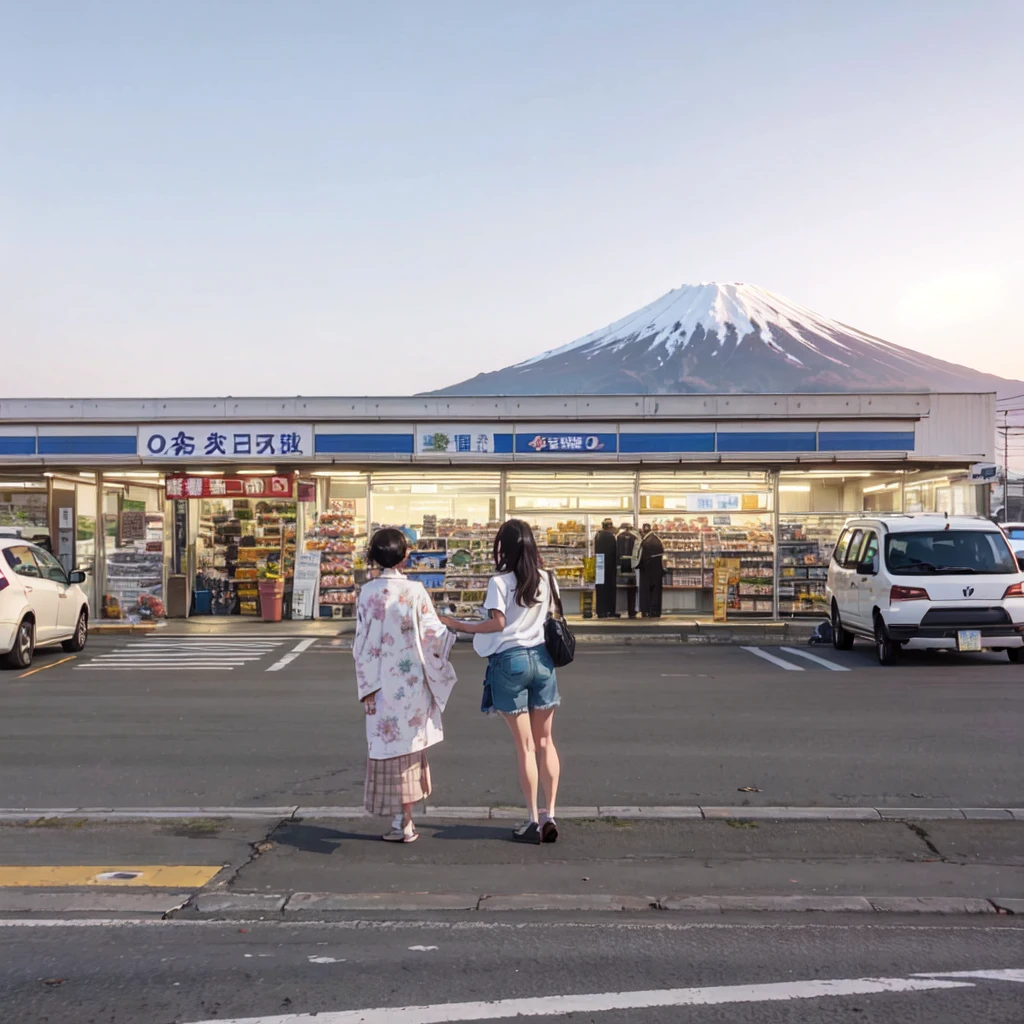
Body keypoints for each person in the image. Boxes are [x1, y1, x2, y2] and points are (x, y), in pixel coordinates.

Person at [439, 519, 562, 846]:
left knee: (525, 747)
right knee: (546, 741)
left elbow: (498, 624)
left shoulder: (500, 581)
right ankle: (551, 814)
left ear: (502, 548)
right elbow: (553, 616)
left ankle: (533, 820)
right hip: (544, 661)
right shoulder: (547, 578)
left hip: (511, 661)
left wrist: (458, 624)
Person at [353, 528, 457, 843]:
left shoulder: (367, 592)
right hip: (411, 684)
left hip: (380, 684)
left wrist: (366, 685)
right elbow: (434, 634)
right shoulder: (415, 591)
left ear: (373, 556)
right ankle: (405, 820)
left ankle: (400, 822)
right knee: (409, 750)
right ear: (405, 556)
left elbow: (361, 644)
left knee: (387, 749)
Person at [638, 523, 665, 618]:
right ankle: (655, 611)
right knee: (656, 591)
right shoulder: (657, 539)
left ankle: (646, 610)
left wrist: (637, 565)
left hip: (647, 570)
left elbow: (641, 557)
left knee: (646, 591)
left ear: (643, 531)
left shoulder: (645, 541)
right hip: (657, 570)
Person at [616, 521, 642, 618]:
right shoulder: (636, 537)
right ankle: (632, 611)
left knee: (620, 590)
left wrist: (617, 565)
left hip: (621, 566)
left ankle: (619, 609)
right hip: (633, 566)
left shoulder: (618, 537)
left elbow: (616, 552)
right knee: (632, 589)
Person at [594, 517, 619, 618]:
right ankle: (610, 611)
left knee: (600, 588)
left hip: (599, 564)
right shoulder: (611, 536)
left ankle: (601, 611)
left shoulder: (598, 535)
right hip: (610, 566)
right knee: (610, 588)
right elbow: (614, 552)